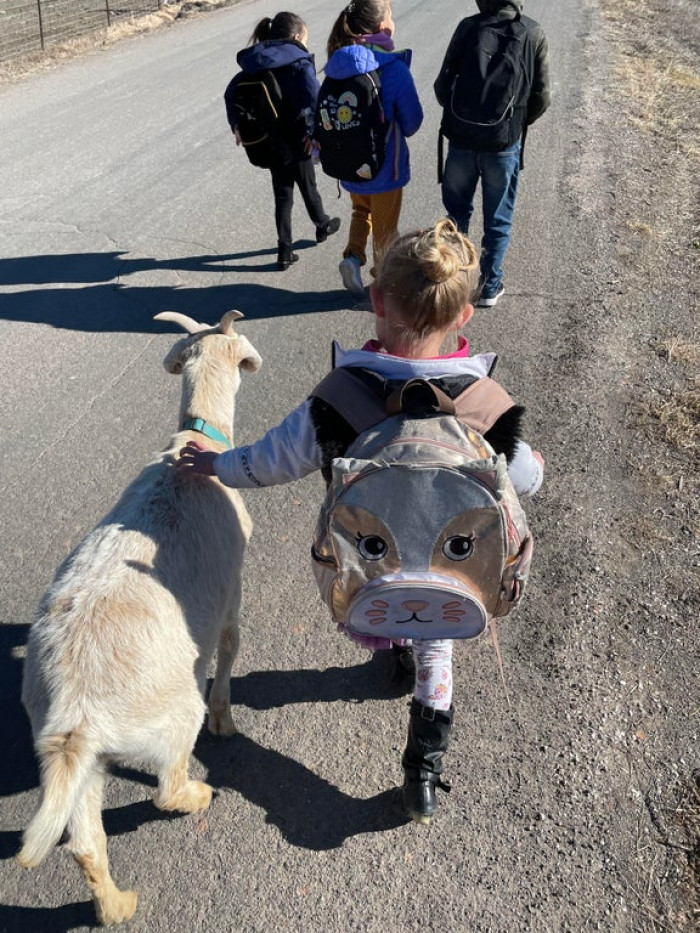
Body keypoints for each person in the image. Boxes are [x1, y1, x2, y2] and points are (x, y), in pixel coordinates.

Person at [177, 218, 544, 823]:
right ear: (464, 316)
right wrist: (535, 467)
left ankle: (393, 641)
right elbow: (522, 479)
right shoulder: (487, 408)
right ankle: (422, 772)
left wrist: (218, 462)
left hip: (365, 573)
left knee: (388, 565)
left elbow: (271, 461)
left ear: (377, 299)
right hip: (454, 575)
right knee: (439, 652)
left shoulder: (341, 396)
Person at [434, 0, 550, 306]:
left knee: (456, 214)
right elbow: (541, 96)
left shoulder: (469, 27)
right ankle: (488, 286)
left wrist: (462, 115)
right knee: (497, 219)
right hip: (503, 143)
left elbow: (441, 86)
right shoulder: (532, 32)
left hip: (461, 140)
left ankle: (453, 280)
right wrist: (514, 122)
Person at [224, 12, 341, 270]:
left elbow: (231, 93)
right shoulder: (298, 62)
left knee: (282, 196)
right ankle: (322, 225)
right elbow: (314, 99)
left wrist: (236, 125)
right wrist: (318, 134)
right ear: (297, 37)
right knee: (308, 186)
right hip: (298, 140)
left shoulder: (256, 62)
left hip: (270, 141)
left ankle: (284, 250)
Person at [323, 1, 423, 296]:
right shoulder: (392, 68)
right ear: (383, 27)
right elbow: (412, 122)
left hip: (351, 166)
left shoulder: (337, 65)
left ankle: (353, 258)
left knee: (359, 211)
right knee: (385, 230)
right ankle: (382, 284)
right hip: (384, 170)